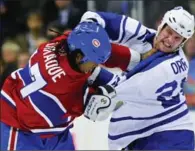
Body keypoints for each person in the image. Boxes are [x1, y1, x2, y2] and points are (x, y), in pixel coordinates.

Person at [0, 21, 141, 150]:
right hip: (18, 125)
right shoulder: (64, 85)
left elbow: (98, 56)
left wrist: (135, 60)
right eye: (93, 61)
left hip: (53, 129)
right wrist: (114, 89)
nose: (96, 64)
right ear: (79, 57)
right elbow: (95, 109)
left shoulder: (63, 42)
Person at [81, 6, 195, 150]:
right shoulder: (144, 35)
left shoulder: (168, 68)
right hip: (142, 134)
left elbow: (119, 89)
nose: (170, 40)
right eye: (169, 32)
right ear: (161, 25)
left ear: (182, 43)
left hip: (170, 134)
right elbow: (99, 18)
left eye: (177, 38)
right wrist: (87, 27)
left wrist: (88, 69)